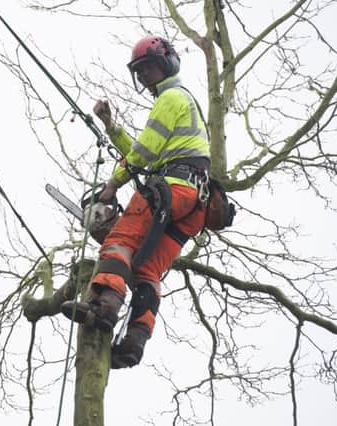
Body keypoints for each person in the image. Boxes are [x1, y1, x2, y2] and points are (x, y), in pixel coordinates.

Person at [61, 35, 211, 369]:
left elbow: (143, 153)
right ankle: (133, 343)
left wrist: (112, 186)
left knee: (119, 242)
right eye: (140, 71)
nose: (144, 76)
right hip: (194, 204)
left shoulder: (170, 97)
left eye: (149, 67)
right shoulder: (183, 104)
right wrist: (111, 127)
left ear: (167, 63)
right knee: (148, 270)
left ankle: (104, 308)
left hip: (172, 190)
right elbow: (144, 150)